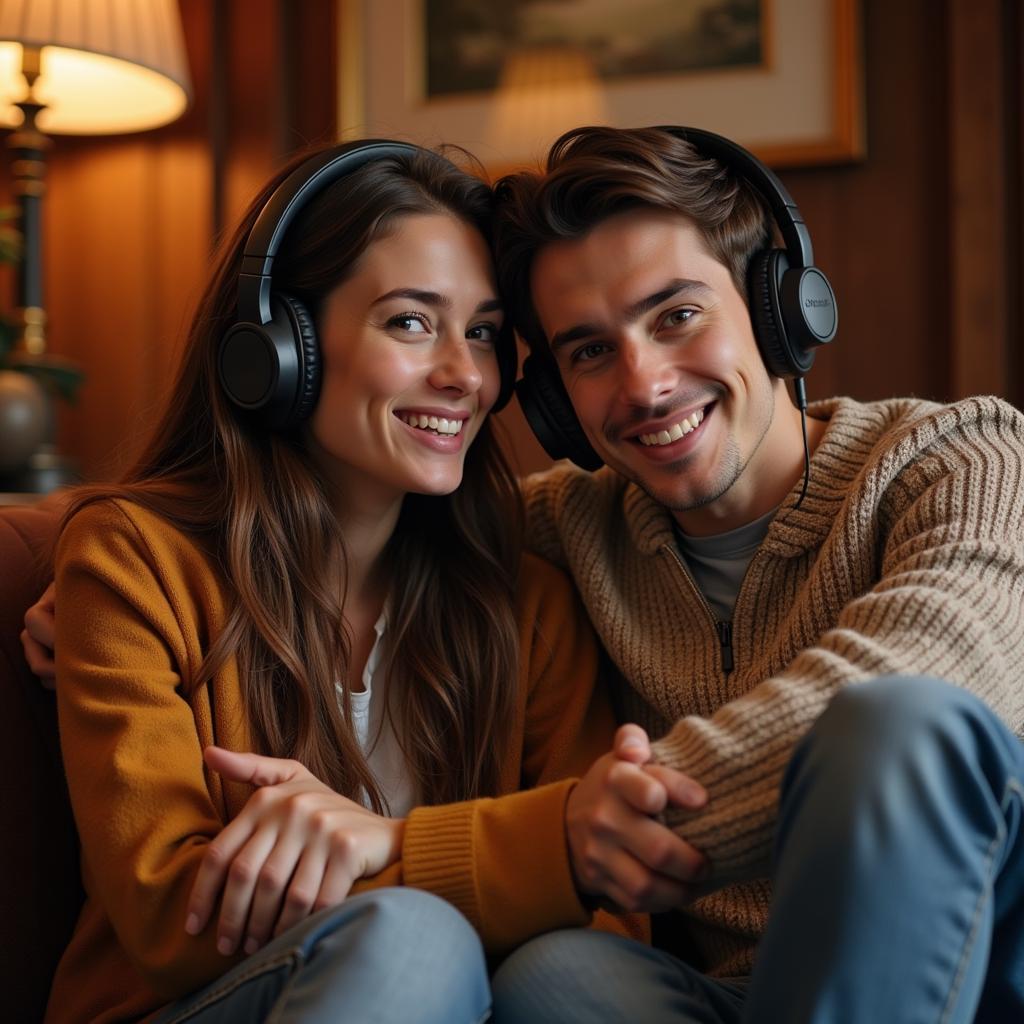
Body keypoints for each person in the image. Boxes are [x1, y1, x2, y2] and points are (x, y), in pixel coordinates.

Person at [38, 139, 643, 1024]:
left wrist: (390, 848)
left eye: (481, 333)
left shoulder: (529, 606)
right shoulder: (137, 562)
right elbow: (174, 915)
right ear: (280, 346)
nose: (462, 375)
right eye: (409, 321)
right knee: (408, 937)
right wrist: (534, 856)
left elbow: (612, 916)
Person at [482, 125, 1024, 1022]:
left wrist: (599, 829)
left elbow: (933, 681)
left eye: (677, 316)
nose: (645, 384)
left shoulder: (964, 457)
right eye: (589, 352)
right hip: (730, 994)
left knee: (896, 721)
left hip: (969, 974)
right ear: (553, 404)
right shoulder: (562, 527)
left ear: (779, 306)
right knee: (557, 977)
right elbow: (350, 550)